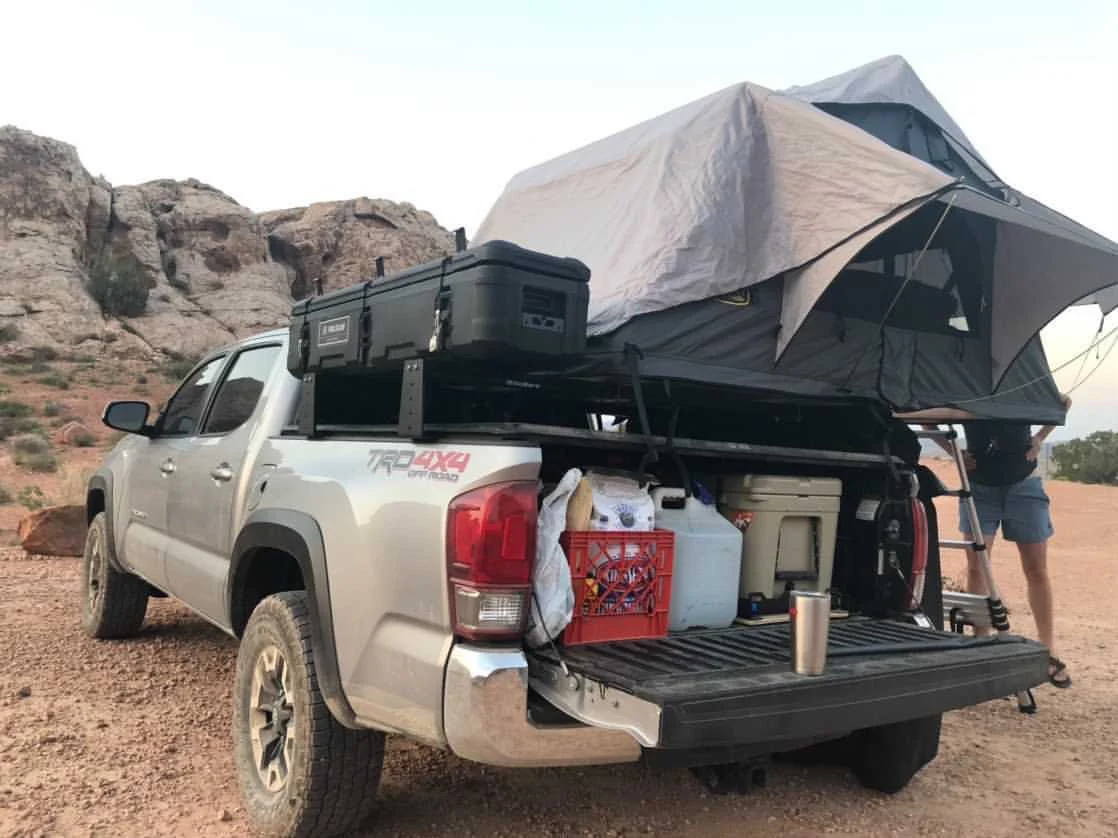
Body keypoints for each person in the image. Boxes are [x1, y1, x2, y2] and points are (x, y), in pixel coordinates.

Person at [924, 394, 1072, 688]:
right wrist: (954, 452)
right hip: (979, 489)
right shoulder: (967, 389)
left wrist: (1039, 438)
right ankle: (981, 644)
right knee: (977, 566)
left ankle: (1047, 649)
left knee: (1036, 569)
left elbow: (1063, 402)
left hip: (1024, 484)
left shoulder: (1020, 384)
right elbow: (928, 419)